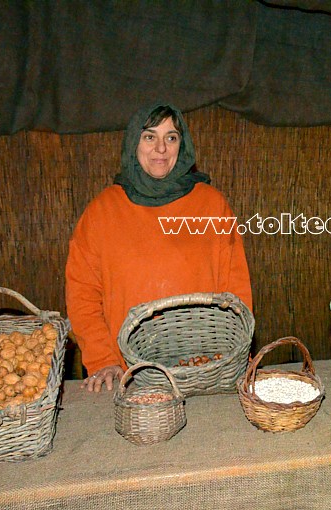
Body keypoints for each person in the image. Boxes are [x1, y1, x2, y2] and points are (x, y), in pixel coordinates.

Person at [66, 103, 253, 392]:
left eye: (171, 137)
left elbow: (236, 288)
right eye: (150, 136)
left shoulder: (211, 204)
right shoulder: (101, 212)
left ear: (183, 145)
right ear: (133, 143)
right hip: (131, 375)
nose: (161, 149)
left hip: (205, 368)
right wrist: (103, 358)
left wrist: (235, 354)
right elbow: (82, 293)